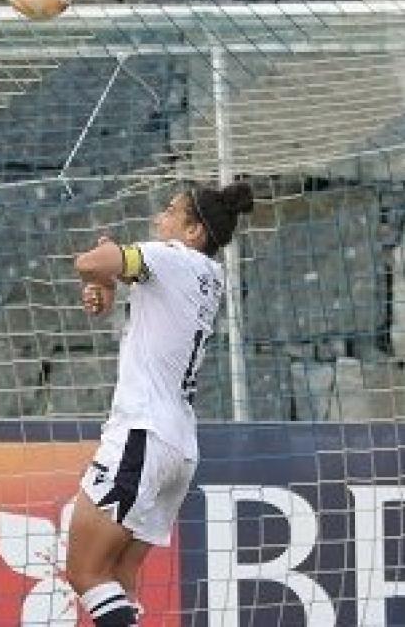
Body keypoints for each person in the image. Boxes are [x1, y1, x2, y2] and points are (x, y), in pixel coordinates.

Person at [64, 182, 253, 626]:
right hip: (177, 448)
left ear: (193, 232)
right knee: (119, 577)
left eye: (170, 212)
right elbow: (116, 276)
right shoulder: (209, 275)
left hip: (142, 435)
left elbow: (89, 261)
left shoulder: (170, 257)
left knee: (85, 572)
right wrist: (106, 281)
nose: (158, 220)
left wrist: (102, 266)